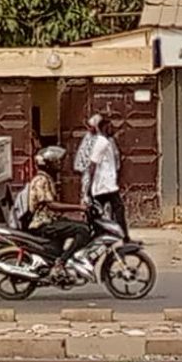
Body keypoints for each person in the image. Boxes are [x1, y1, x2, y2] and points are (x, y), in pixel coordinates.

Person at [27, 145, 91, 276]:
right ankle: (61, 262)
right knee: (82, 230)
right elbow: (51, 205)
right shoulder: (41, 180)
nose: (59, 164)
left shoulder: (47, 179)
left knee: (82, 225)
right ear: (48, 164)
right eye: (56, 162)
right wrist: (78, 207)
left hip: (52, 220)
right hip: (44, 224)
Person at [88, 117, 128, 239]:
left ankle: (98, 234)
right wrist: (90, 185)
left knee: (100, 210)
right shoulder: (102, 142)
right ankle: (123, 236)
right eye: (110, 127)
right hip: (104, 184)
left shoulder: (107, 141)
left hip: (106, 183)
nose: (112, 129)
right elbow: (93, 164)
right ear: (104, 128)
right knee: (118, 208)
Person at [73, 114, 102, 202]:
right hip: (88, 169)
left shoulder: (101, 138)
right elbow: (84, 152)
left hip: (100, 170)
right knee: (86, 187)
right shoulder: (88, 137)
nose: (90, 129)